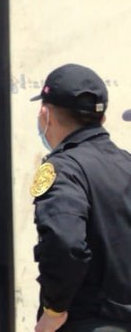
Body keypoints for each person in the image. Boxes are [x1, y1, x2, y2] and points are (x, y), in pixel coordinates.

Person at [30, 63, 131, 332]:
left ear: (45, 114)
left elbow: (65, 243)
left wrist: (54, 310)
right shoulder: (126, 163)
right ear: (102, 118)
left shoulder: (63, 169)